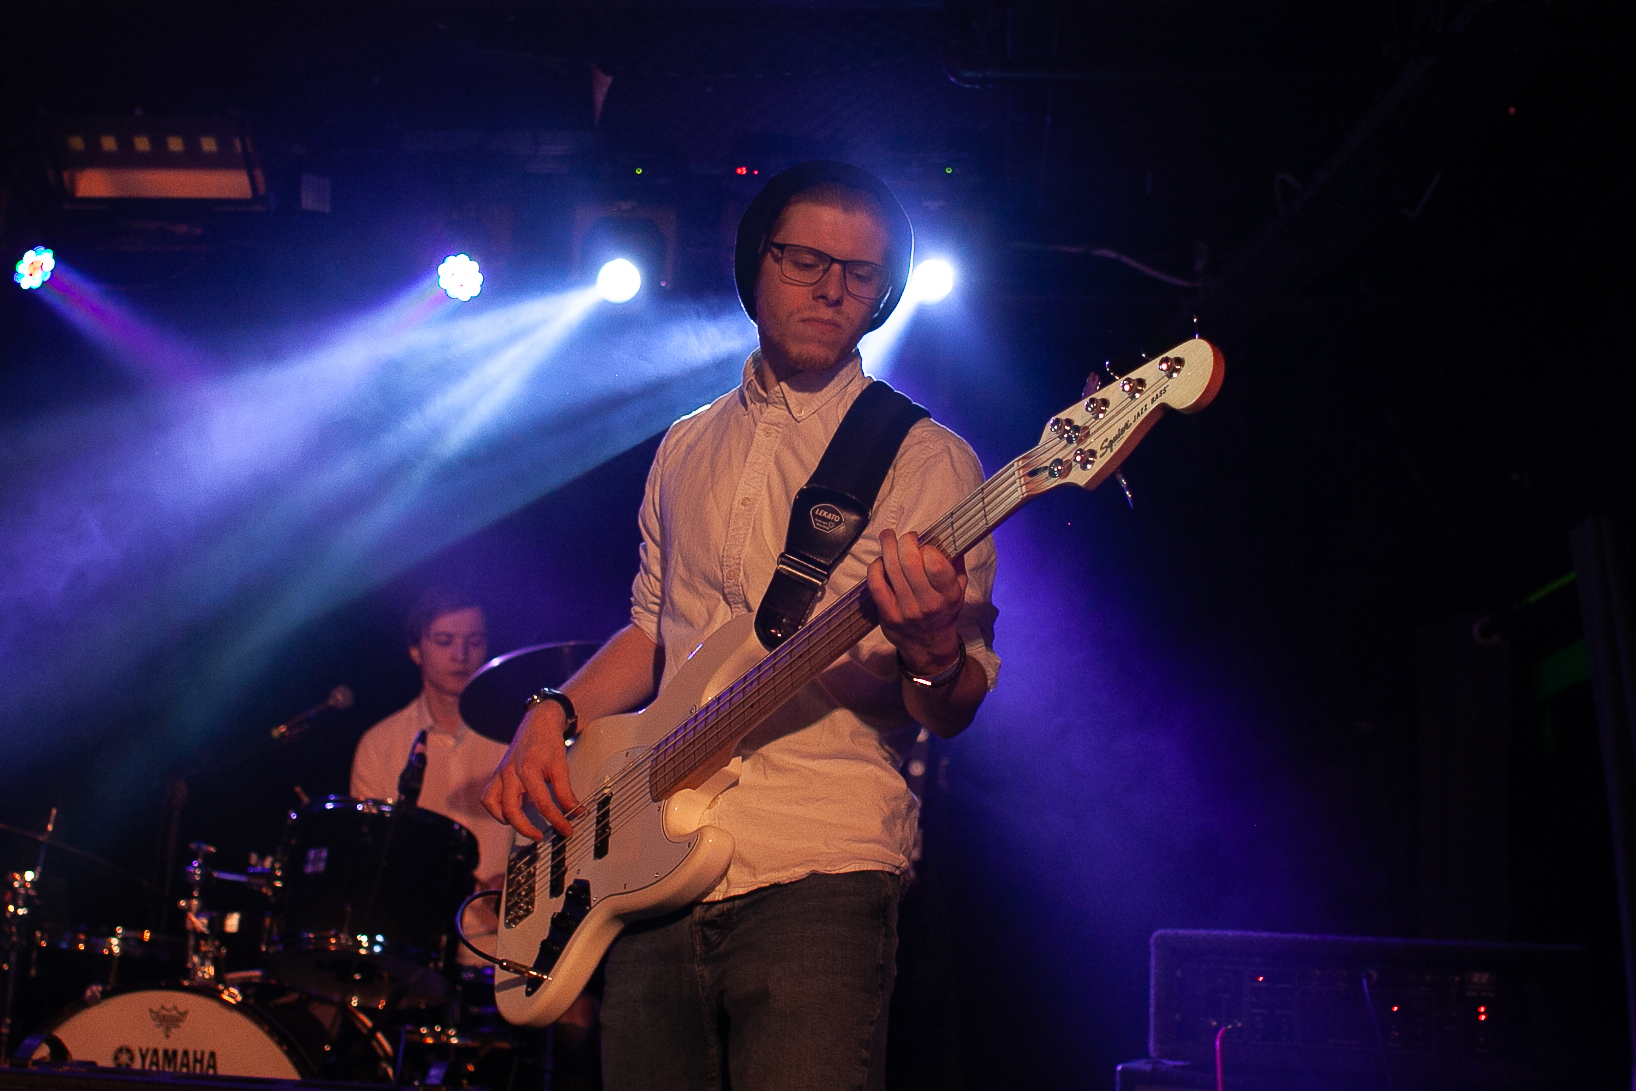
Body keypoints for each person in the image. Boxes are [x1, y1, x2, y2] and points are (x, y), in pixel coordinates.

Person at [484, 161, 1000, 1091]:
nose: (832, 289)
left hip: (819, 862)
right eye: (806, 260)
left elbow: (951, 705)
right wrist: (552, 711)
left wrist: (931, 647)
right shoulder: (686, 443)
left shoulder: (927, 460)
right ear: (753, 262)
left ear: (885, 295)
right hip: (644, 870)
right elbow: (652, 631)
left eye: (861, 273)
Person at [351, 587, 511, 956]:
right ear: (415, 649)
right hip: (418, 946)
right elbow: (371, 860)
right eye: (444, 641)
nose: (460, 655)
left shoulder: (517, 732)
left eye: (474, 641)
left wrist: (520, 876)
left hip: (511, 943)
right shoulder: (380, 744)